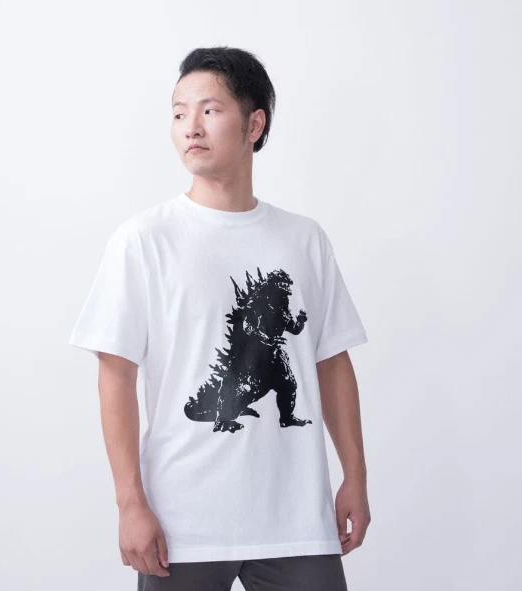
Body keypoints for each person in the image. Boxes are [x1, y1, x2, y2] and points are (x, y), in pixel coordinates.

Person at [69, 46, 371, 591]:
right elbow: (115, 374)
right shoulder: (144, 240)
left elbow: (331, 362)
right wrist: (130, 502)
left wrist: (355, 475)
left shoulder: (304, 239)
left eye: (209, 110)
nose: (191, 127)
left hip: (296, 520)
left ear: (254, 124)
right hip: (181, 524)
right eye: (179, 112)